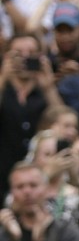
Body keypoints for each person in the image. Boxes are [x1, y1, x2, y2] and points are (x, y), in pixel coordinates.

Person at [0, 34, 62, 201]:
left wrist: (49, 87)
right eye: (18, 53)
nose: (25, 58)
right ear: (6, 57)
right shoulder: (3, 89)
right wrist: (3, 78)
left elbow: (65, 123)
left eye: (32, 52)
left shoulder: (45, 92)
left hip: (40, 183)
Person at [0, 162, 79, 241]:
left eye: (33, 185)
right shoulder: (5, 233)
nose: (27, 192)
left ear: (46, 189)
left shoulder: (66, 231)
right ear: (12, 193)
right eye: (20, 187)